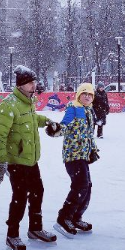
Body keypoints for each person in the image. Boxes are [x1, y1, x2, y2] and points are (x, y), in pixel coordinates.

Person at [0, 66, 58, 250]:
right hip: (16, 161)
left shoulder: (28, 102)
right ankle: (12, 234)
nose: (34, 85)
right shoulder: (9, 104)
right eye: (30, 82)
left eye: (34, 82)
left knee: (38, 191)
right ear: (20, 85)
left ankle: (35, 229)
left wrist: (48, 122)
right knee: (19, 198)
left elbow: (32, 118)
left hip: (31, 160)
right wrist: (0, 161)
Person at [48, 82, 98, 238]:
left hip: (83, 155)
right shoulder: (74, 108)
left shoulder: (89, 110)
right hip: (73, 155)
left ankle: (76, 217)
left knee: (87, 186)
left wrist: (93, 150)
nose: (87, 97)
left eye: (90, 94)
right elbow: (65, 126)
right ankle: (64, 218)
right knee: (80, 185)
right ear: (78, 95)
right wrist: (55, 129)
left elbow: (89, 134)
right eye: (84, 94)